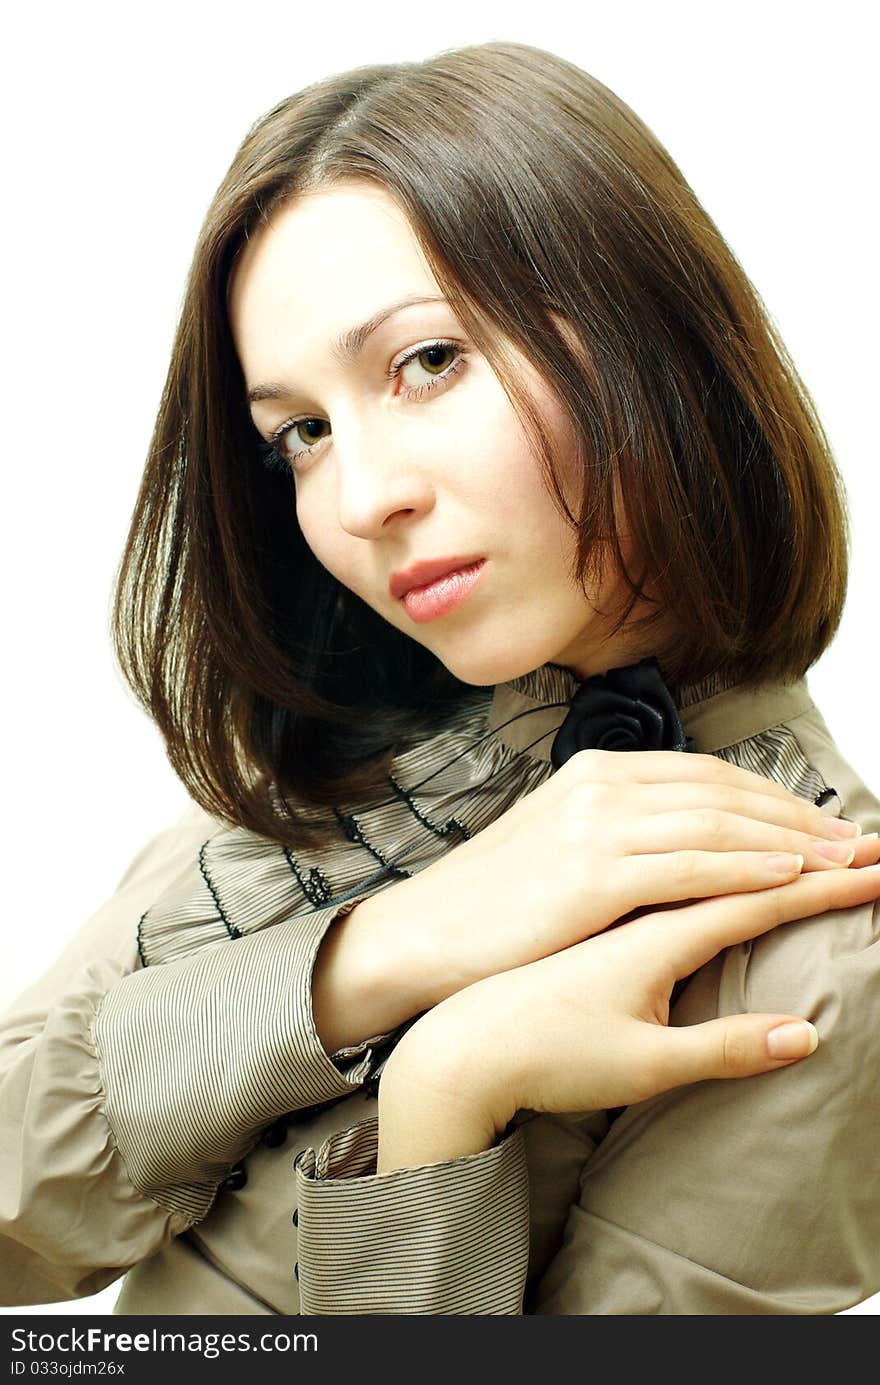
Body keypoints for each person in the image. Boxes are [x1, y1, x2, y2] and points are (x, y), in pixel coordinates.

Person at [2, 39, 879, 1317]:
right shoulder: (325, 756)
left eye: (427, 362)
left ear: (653, 333)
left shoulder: (820, 946)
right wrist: (374, 953)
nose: (361, 498)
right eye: (300, 432)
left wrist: (445, 1095)